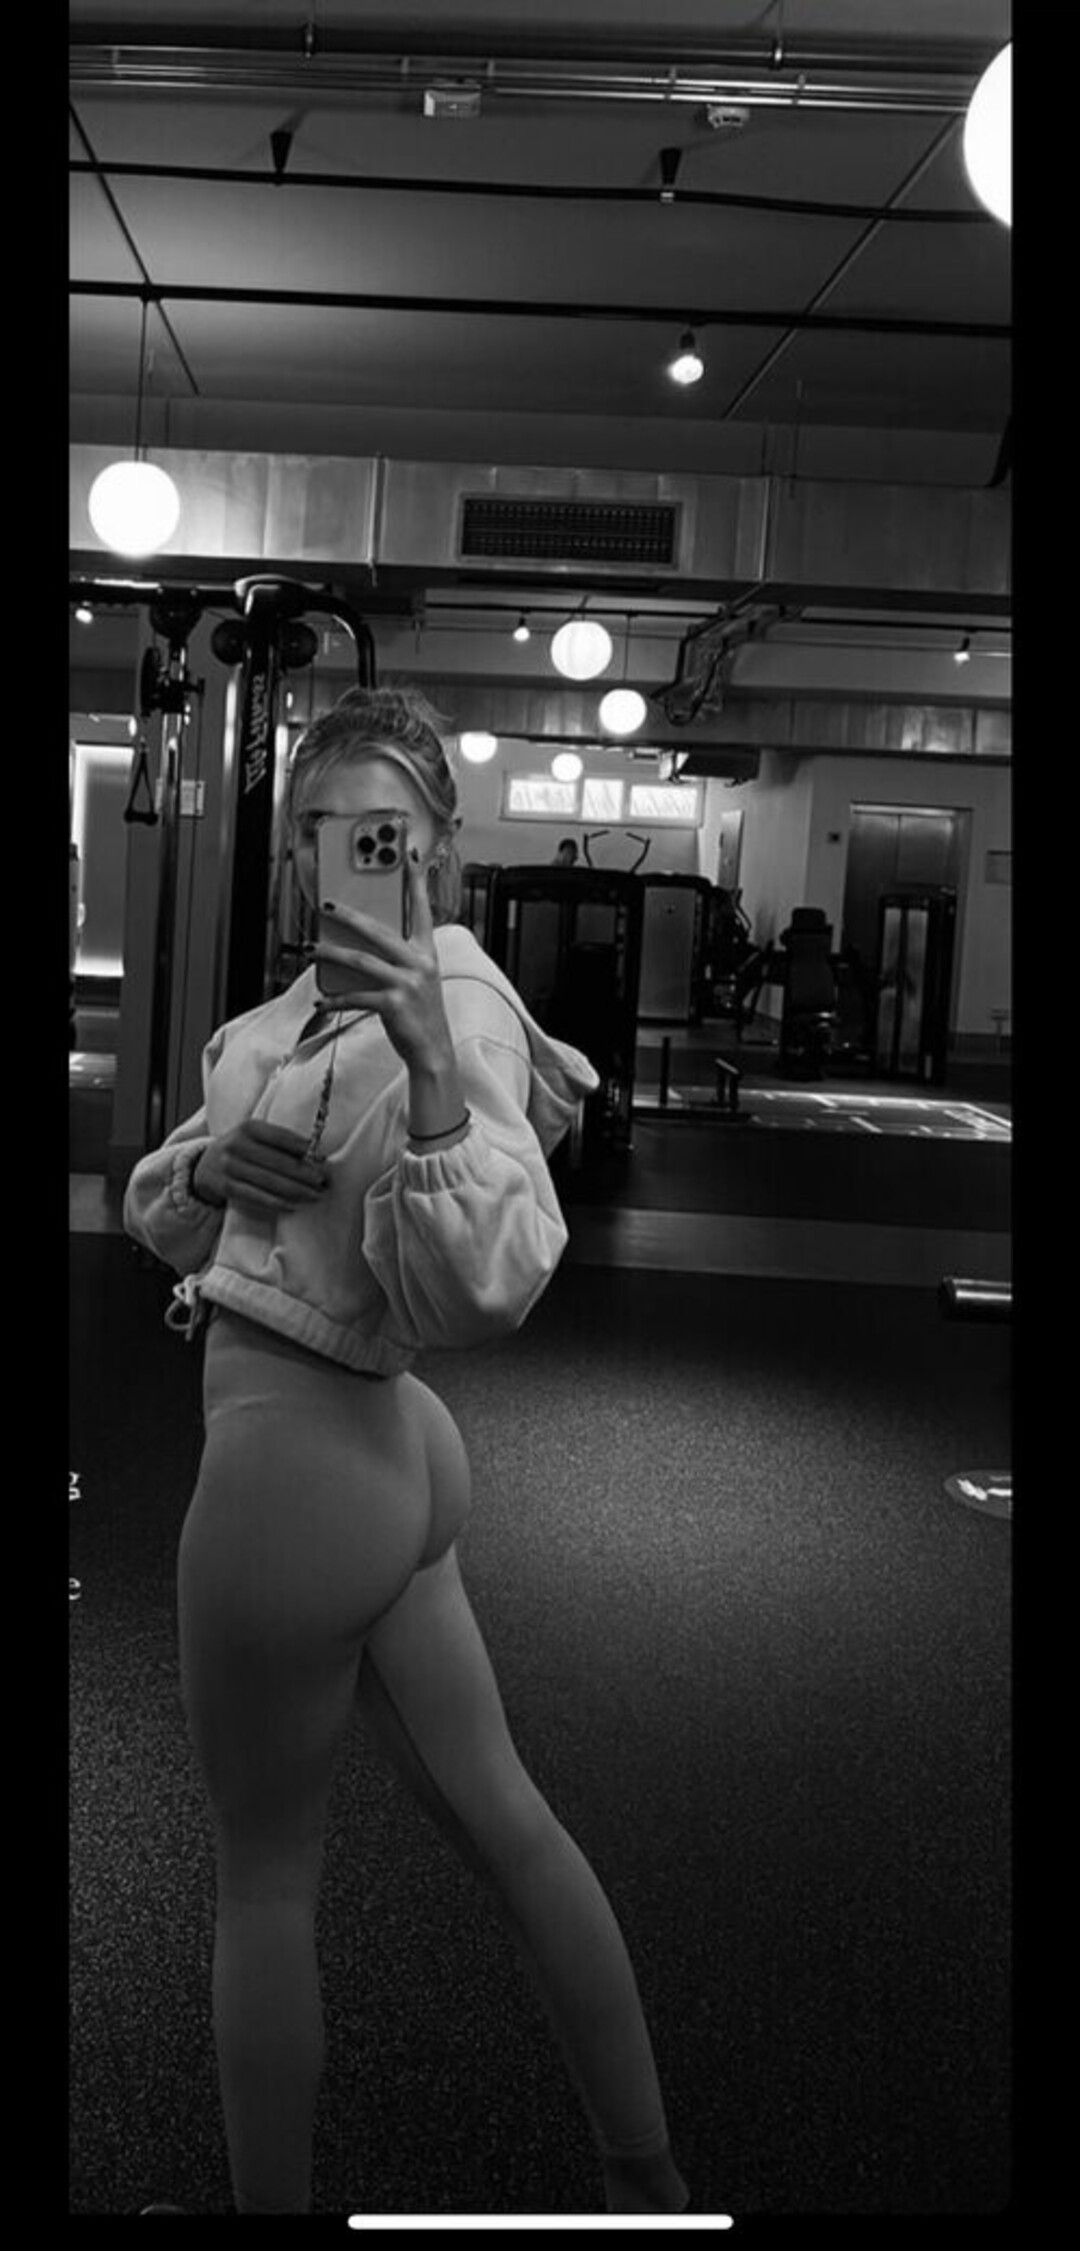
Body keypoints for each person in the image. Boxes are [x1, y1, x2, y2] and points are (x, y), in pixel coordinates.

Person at [123, 686, 690, 2219]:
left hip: (300, 1467)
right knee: (503, 1818)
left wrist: (435, 1069)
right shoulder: (278, 1020)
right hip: (379, 1456)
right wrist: (205, 1173)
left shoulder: (458, 1001)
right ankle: (645, 2180)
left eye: (383, 830)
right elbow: (166, 1209)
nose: (348, 857)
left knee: (264, 1878)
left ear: (439, 844)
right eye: (322, 830)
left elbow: (482, 1286)